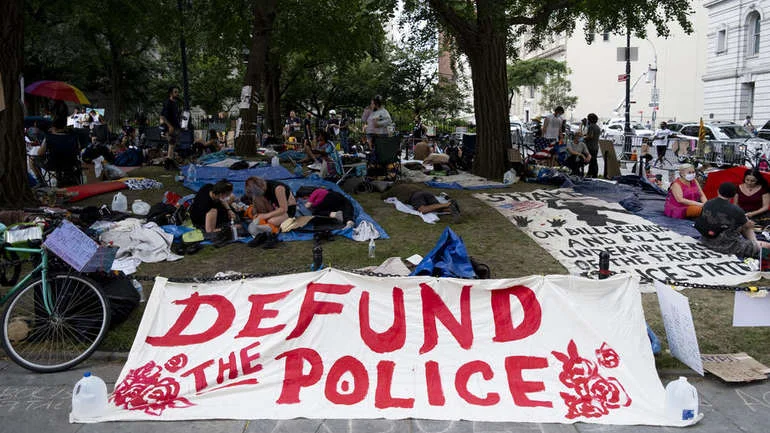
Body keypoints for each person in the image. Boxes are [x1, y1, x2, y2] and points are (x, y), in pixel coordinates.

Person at [695, 182, 770, 258]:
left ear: (718, 191)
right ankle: (755, 244)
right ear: (734, 195)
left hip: (705, 240)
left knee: (740, 224)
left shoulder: (708, 203)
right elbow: (747, 226)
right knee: (766, 245)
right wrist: (749, 224)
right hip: (727, 246)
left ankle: (754, 243)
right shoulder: (736, 210)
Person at [381, 184, 460, 221]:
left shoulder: (394, 189)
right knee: (437, 208)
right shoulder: (408, 184)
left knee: (422, 210)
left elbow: (383, 196)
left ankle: (447, 204)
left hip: (415, 196)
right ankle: (450, 209)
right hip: (425, 193)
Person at [160, 86, 181, 159]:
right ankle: (169, 162)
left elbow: (175, 115)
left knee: (173, 145)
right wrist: (169, 126)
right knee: (171, 144)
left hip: (176, 126)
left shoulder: (176, 103)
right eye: (175, 92)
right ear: (170, 93)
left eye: (178, 92)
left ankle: (170, 160)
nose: (177, 94)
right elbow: (162, 116)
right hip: (170, 128)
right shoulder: (168, 103)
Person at [584, 113, 601, 178]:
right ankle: (593, 174)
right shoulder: (597, 127)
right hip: (595, 146)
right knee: (594, 161)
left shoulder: (591, 126)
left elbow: (590, 136)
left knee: (591, 161)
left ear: (590, 119)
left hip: (591, 146)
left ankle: (591, 174)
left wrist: (583, 137)